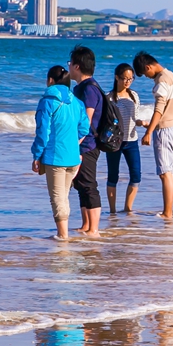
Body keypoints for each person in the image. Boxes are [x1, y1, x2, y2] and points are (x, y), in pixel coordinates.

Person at [32, 65, 91, 239]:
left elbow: (43, 132)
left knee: (58, 198)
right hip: (73, 158)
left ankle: (63, 236)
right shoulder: (77, 102)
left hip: (55, 157)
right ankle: (63, 234)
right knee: (63, 196)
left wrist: (36, 155)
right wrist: (73, 143)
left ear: (50, 80)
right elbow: (84, 128)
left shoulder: (47, 101)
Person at [134, 51, 173, 218]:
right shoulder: (171, 75)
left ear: (148, 67)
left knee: (165, 173)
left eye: (145, 74)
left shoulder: (161, 82)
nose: (148, 77)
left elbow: (159, 109)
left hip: (164, 131)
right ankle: (168, 211)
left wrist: (148, 133)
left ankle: (167, 213)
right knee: (169, 172)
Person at [68, 46, 106, 237]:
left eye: (70, 63)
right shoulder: (82, 87)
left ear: (77, 66)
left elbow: (86, 120)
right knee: (80, 184)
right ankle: (85, 225)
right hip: (84, 144)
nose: (68, 67)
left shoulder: (89, 89)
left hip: (88, 145)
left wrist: (74, 144)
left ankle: (94, 229)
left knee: (89, 184)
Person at [106, 63, 144, 213]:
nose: (127, 82)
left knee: (136, 175)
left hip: (132, 140)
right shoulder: (108, 97)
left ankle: (128, 209)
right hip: (114, 142)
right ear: (116, 77)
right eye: (124, 78)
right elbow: (105, 121)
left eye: (131, 79)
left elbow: (136, 117)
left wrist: (141, 122)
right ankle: (113, 211)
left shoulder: (134, 96)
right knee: (113, 176)